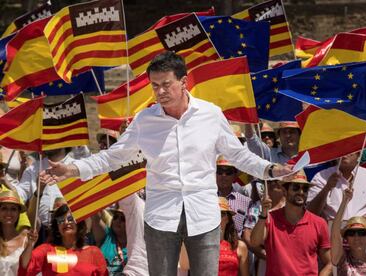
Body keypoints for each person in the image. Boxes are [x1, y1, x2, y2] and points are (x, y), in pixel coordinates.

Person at [40, 51, 291, 275]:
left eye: (166, 85)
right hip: (161, 217)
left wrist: (271, 170)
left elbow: (239, 156)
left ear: (183, 82)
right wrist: (72, 169)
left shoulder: (211, 114)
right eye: (155, 86)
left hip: (203, 215)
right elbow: (112, 157)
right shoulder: (144, 120)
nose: (160, 92)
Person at [250, 170, 332, 276]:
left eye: (305, 189)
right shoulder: (270, 218)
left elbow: (330, 262)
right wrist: (263, 214)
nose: (301, 192)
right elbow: (254, 242)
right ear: (284, 191)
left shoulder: (319, 223)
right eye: (296, 187)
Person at [307, 152, 366, 258]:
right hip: (332, 239)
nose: (345, 154)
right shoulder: (321, 176)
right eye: (342, 149)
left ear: (359, 154)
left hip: (363, 237)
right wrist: (327, 188)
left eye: (351, 150)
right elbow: (311, 212)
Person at [19, 204, 108, 275]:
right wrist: (30, 244)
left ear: (79, 223)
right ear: (57, 227)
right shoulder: (47, 250)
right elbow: (25, 267)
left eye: (70, 219)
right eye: (61, 220)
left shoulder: (93, 252)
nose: (66, 222)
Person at [331, 188, 366, 275]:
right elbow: (334, 233)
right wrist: (344, 202)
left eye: (362, 233)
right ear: (346, 238)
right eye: (351, 233)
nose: (356, 237)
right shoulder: (342, 259)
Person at [243, 179, 285, 276]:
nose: (273, 184)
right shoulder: (257, 207)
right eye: (269, 181)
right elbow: (247, 235)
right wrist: (265, 254)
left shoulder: (290, 207)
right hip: (263, 260)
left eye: (277, 181)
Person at [216, 156, 251, 237]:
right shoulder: (206, 198)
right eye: (219, 171)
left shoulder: (247, 202)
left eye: (228, 172)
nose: (223, 175)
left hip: (236, 246)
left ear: (235, 175)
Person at [0, 190, 29, 275]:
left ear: (18, 213)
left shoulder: (26, 240)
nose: (9, 213)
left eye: (13, 209)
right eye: (4, 208)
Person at [218, 197, 249, 276]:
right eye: (213, 214)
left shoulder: (239, 246)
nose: (217, 218)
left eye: (221, 214)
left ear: (228, 218)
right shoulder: (200, 244)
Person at [92, 207, 127, 274]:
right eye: (115, 217)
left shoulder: (136, 243)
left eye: (123, 219)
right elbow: (95, 218)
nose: (118, 220)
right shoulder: (107, 235)